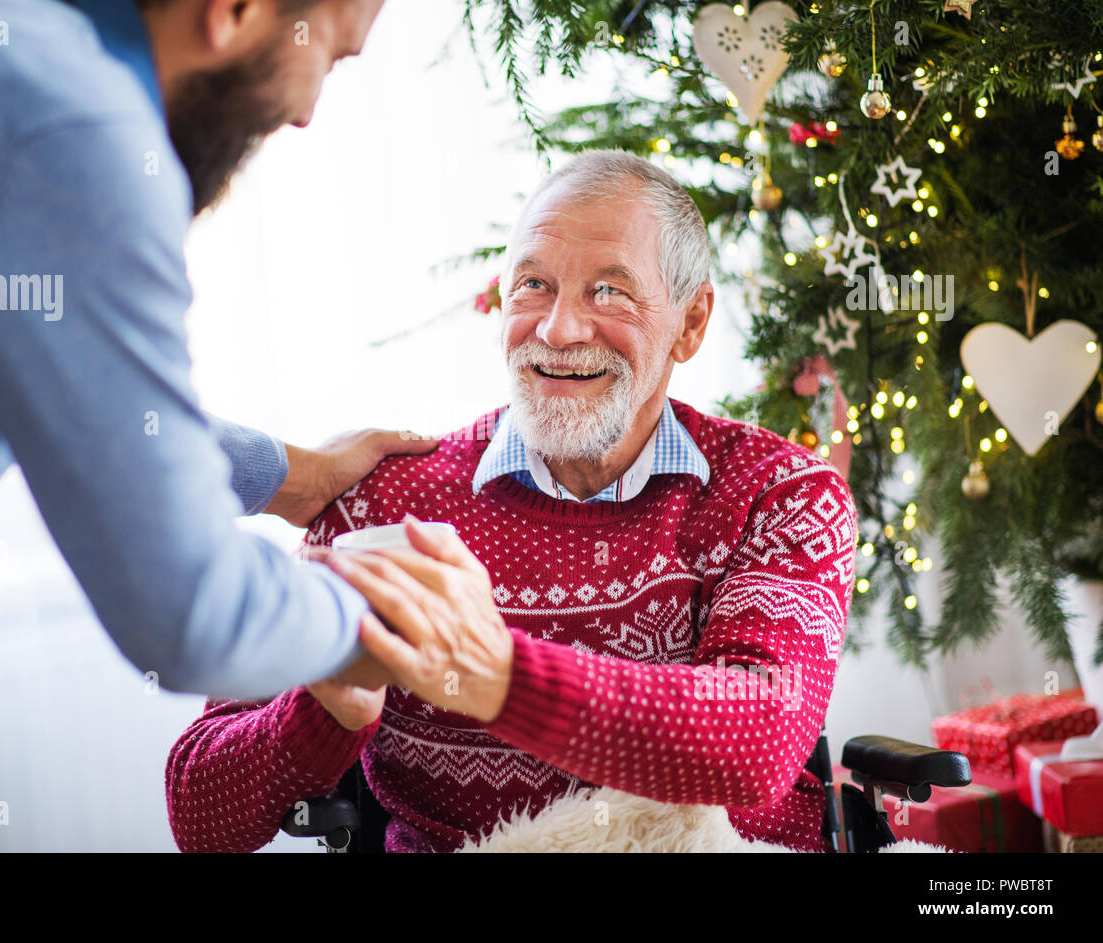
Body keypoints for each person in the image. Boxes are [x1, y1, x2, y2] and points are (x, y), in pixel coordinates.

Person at [165, 150, 860, 853]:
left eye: (609, 292)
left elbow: (760, 741)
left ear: (691, 321)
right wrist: (325, 712)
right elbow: (199, 816)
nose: (558, 330)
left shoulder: (780, 493)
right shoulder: (382, 504)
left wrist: (495, 675)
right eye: (534, 284)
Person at [0, 0, 422, 765]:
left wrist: (294, 477)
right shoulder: (70, 135)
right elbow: (192, 612)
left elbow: (100, 412)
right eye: (328, 58)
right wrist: (393, 615)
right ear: (235, 11)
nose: (305, 114)